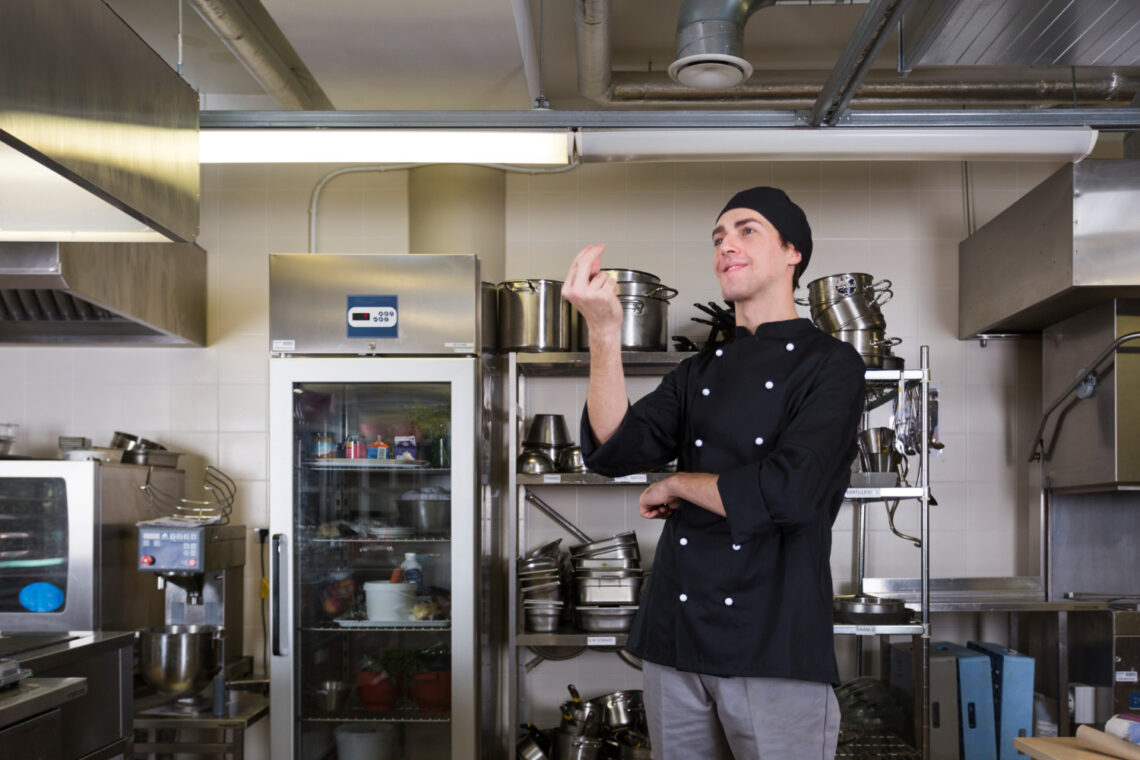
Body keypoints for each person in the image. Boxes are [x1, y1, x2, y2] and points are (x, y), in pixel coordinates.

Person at [561, 187, 866, 760]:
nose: (726, 244)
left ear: (792, 251)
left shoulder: (832, 365)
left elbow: (788, 492)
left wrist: (678, 483)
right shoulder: (698, 371)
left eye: (747, 230)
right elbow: (614, 448)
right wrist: (604, 334)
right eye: (718, 237)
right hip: (674, 636)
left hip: (773, 642)